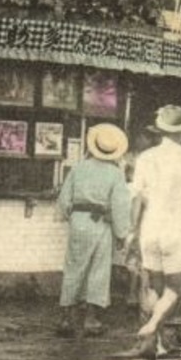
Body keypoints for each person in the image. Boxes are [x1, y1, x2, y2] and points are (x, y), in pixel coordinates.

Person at [132, 106, 181, 360]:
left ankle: (153, 343)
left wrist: (132, 230)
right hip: (176, 230)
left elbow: (136, 198)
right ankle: (153, 326)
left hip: (149, 229)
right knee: (175, 287)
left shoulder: (145, 157)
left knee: (154, 285)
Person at [56, 124, 133, 337]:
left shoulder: (78, 168)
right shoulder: (115, 173)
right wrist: (121, 233)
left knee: (73, 268)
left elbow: (64, 198)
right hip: (101, 224)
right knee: (98, 271)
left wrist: (66, 216)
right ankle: (91, 320)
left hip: (79, 220)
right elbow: (120, 205)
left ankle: (66, 319)